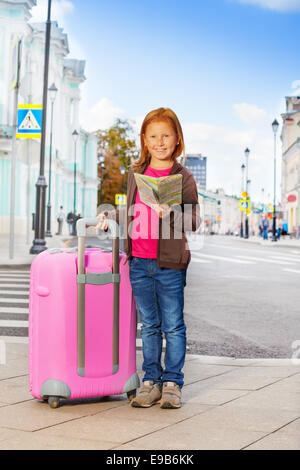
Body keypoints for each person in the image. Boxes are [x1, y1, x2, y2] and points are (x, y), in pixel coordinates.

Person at [96, 108, 200, 409]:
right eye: (153, 136)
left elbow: (194, 220)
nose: (160, 141)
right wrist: (108, 216)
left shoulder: (182, 176)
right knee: (150, 325)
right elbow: (131, 212)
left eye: (166, 135)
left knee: (173, 325)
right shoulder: (135, 173)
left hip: (169, 263)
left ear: (177, 138)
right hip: (139, 262)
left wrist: (173, 213)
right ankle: (150, 380)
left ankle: (172, 383)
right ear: (144, 139)